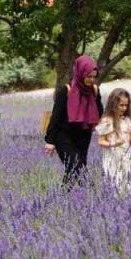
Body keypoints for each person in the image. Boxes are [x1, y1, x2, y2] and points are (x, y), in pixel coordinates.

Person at [43, 55, 103, 187]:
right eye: (88, 76)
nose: (91, 80)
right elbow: (56, 117)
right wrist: (50, 141)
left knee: (73, 170)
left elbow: (100, 112)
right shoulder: (65, 91)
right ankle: (92, 193)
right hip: (63, 136)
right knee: (76, 167)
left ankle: (62, 197)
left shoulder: (94, 91)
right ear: (80, 73)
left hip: (83, 136)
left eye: (94, 77)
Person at [96, 88, 131, 195]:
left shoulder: (126, 120)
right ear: (113, 105)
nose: (124, 108)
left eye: (126, 105)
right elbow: (100, 141)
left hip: (127, 157)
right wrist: (114, 144)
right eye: (121, 105)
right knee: (115, 187)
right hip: (112, 158)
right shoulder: (107, 121)